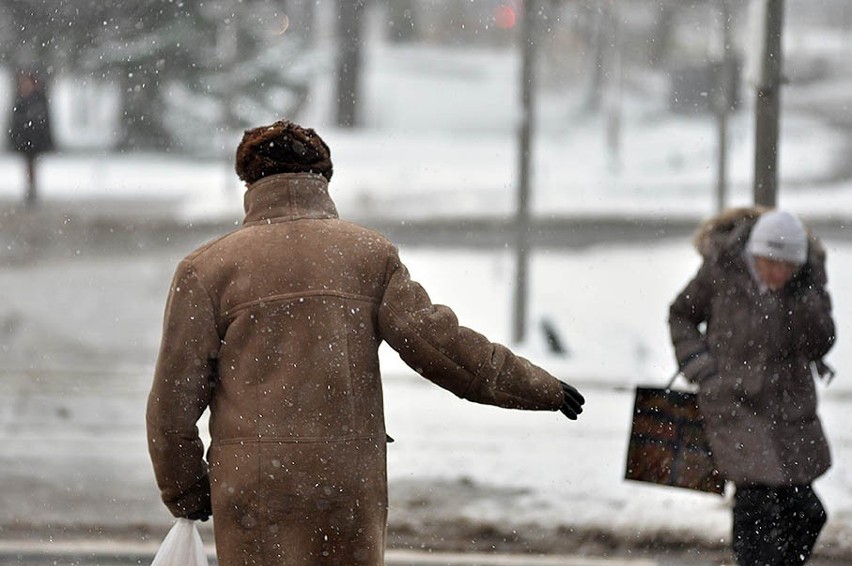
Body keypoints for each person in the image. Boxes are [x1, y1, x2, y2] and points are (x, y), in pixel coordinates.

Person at [146, 119, 585, 565]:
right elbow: (444, 349)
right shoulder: (367, 255)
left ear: (249, 181)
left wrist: (186, 490)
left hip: (256, 489)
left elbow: (172, 404)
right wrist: (539, 386)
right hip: (346, 485)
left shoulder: (207, 270)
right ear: (325, 178)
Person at [669, 207, 835, 566]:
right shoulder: (722, 270)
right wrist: (703, 370)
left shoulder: (804, 284)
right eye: (770, 262)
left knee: (807, 514)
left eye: (787, 265)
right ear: (753, 254)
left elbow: (820, 343)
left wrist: (805, 296)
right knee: (757, 506)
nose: (778, 272)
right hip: (734, 404)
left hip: (788, 408)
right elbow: (681, 315)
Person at [8, 70, 54, 207]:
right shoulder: (21, 99)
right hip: (25, 138)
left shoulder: (37, 99)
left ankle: (32, 189)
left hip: (34, 138)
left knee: (32, 163)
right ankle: (30, 188)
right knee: (28, 164)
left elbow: (44, 119)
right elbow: (16, 120)